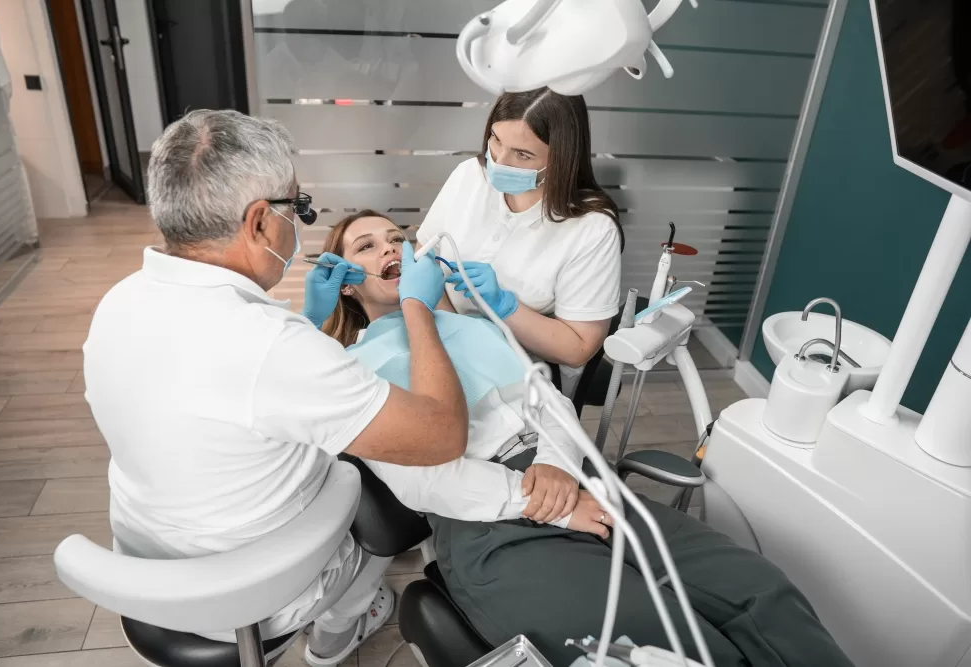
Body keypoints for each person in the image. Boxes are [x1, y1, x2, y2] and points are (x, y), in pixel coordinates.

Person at [324, 211, 856, 667]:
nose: (391, 247)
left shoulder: (475, 328)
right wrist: (548, 506)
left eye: (398, 237)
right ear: (346, 282)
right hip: (490, 523)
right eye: (367, 247)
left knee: (763, 591)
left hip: (583, 481)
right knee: (667, 646)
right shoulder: (352, 371)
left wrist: (558, 465)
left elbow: (547, 400)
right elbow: (424, 484)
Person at [82, 110, 469, 667]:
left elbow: (240, 385)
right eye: (298, 207)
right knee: (387, 499)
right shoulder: (276, 349)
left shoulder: (119, 302)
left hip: (147, 568)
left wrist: (308, 325)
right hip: (248, 593)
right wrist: (419, 307)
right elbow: (444, 435)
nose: (300, 223)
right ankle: (338, 630)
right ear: (261, 221)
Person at [417, 88, 624, 400]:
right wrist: (456, 330)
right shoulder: (470, 176)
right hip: (443, 337)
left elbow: (578, 347)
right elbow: (425, 257)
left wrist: (506, 305)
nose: (499, 161)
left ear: (562, 158)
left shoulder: (592, 229)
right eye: (496, 139)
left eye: (522, 154)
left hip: (520, 372)